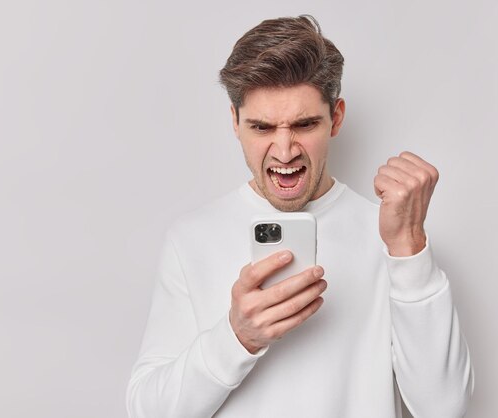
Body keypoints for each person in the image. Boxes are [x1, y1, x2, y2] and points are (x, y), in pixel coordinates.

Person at [126, 15, 473, 418]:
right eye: (262, 127)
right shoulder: (191, 239)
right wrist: (237, 338)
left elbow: (444, 408)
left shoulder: (389, 235)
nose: (285, 150)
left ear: (336, 118)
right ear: (235, 122)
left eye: (305, 124)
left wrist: (408, 246)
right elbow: (147, 410)